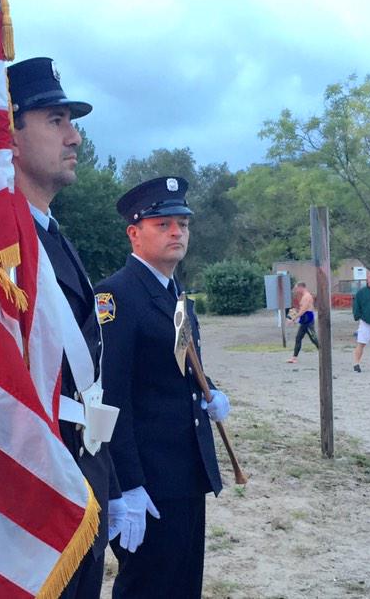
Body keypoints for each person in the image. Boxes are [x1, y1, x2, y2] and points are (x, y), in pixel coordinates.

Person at [7, 57, 125, 598]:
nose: (74, 137)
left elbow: (85, 378)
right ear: (8, 134)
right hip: (33, 495)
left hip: (80, 477)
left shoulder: (52, 236)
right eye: (55, 121)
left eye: (71, 122)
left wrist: (110, 481)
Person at [95, 177, 227, 599]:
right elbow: (111, 395)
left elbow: (181, 369)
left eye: (183, 224)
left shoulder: (175, 294)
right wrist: (126, 484)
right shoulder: (116, 296)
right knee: (148, 587)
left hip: (185, 470)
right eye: (163, 224)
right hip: (148, 481)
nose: (177, 232)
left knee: (183, 585)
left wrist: (211, 392)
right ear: (134, 234)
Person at [286, 281, 319, 364]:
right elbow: (301, 310)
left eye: (297, 288)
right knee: (298, 338)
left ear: (301, 287)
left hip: (308, 319)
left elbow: (303, 310)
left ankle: (324, 353)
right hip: (305, 318)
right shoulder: (304, 296)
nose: (296, 290)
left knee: (313, 338)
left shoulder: (307, 296)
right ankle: (294, 358)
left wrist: (293, 319)